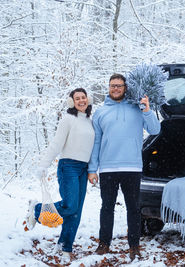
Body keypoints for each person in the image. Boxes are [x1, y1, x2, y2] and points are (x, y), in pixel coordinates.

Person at [87, 73, 160, 261]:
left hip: (132, 167)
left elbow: (155, 130)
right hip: (108, 168)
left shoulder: (137, 108)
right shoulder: (101, 113)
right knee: (107, 207)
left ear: (125, 88)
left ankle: (134, 246)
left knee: (134, 208)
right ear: (109, 88)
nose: (116, 88)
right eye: (113, 85)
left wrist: (147, 110)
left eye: (119, 85)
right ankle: (104, 244)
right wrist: (92, 168)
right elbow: (96, 142)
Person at [23, 88, 95, 260]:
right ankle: (37, 209)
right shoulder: (68, 119)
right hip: (68, 166)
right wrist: (43, 166)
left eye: (83, 97)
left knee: (76, 211)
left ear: (88, 99)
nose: (81, 101)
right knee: (70, 205)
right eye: (77, 98)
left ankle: (65, 247)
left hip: (83, 168)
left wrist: (93, 169)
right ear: (72, 102)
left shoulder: (90, 122)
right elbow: (56, 144)